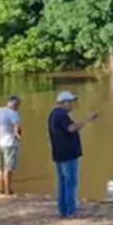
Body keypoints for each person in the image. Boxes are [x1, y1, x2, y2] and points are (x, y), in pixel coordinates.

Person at [47, 90, 98, 218]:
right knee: (70, 183)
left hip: (60, 153)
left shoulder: (53, 114)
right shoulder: (61, 115)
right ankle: (70, 210)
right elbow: (71, 128)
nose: (71, 105)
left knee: (63, 183)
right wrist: (88, 120)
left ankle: (63, 210)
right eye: (69, 102)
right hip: (68, 154)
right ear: (62, 102)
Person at [0, 95, 22, 195]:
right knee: (8, 169)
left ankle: (1, 190)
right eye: (17, 104)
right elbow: (17, 130)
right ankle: (8, 191)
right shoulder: (14, 114)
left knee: (0, 169)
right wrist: (19, 137)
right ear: (15, 104)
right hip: (10, 144)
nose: (17, 106)